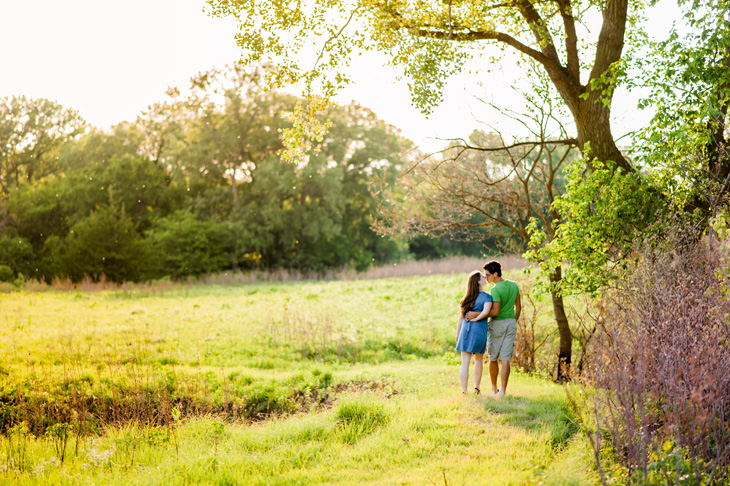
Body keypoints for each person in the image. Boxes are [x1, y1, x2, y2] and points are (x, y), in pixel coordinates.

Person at [465, 260, 520, 397]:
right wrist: (513, 321)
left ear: (496, 274)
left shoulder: (495, 289)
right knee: (505, 358)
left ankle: (494, 389)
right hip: (511, 324)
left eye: (488, 275)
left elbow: (494, 312)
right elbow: (518, 307)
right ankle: (503, 391)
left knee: (493, 357)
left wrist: (475, 314)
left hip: (497, 325)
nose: (486, 278)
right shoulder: (514, 285)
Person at [455, 270, 493, 395]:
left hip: (465, 330)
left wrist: (457, 334)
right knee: (478, 360)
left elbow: (461, 318)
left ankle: (464, 390)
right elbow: (486, 312)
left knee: (464, 362)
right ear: (478, 282)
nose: (485, 278)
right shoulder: (487, 297)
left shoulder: (467, 298)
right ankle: (476, 388)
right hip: (479, 331)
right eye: (482, 277)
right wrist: (477, 318)